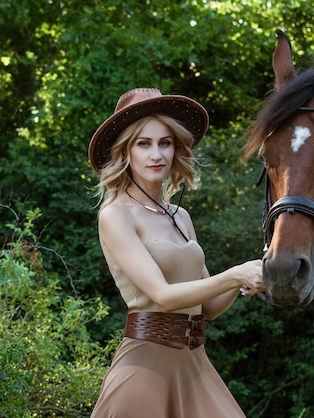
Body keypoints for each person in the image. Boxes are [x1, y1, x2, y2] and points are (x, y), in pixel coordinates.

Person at [88, 88, 266, 417]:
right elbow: (164, 296)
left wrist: (245, 281)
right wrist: (236, 273)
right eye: (144, 143)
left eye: (165, 142)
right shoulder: (116, 215)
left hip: (194, 363)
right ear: (125, 151)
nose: (157, 154)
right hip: (145, 368)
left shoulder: (180, 216)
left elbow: (208, 308)